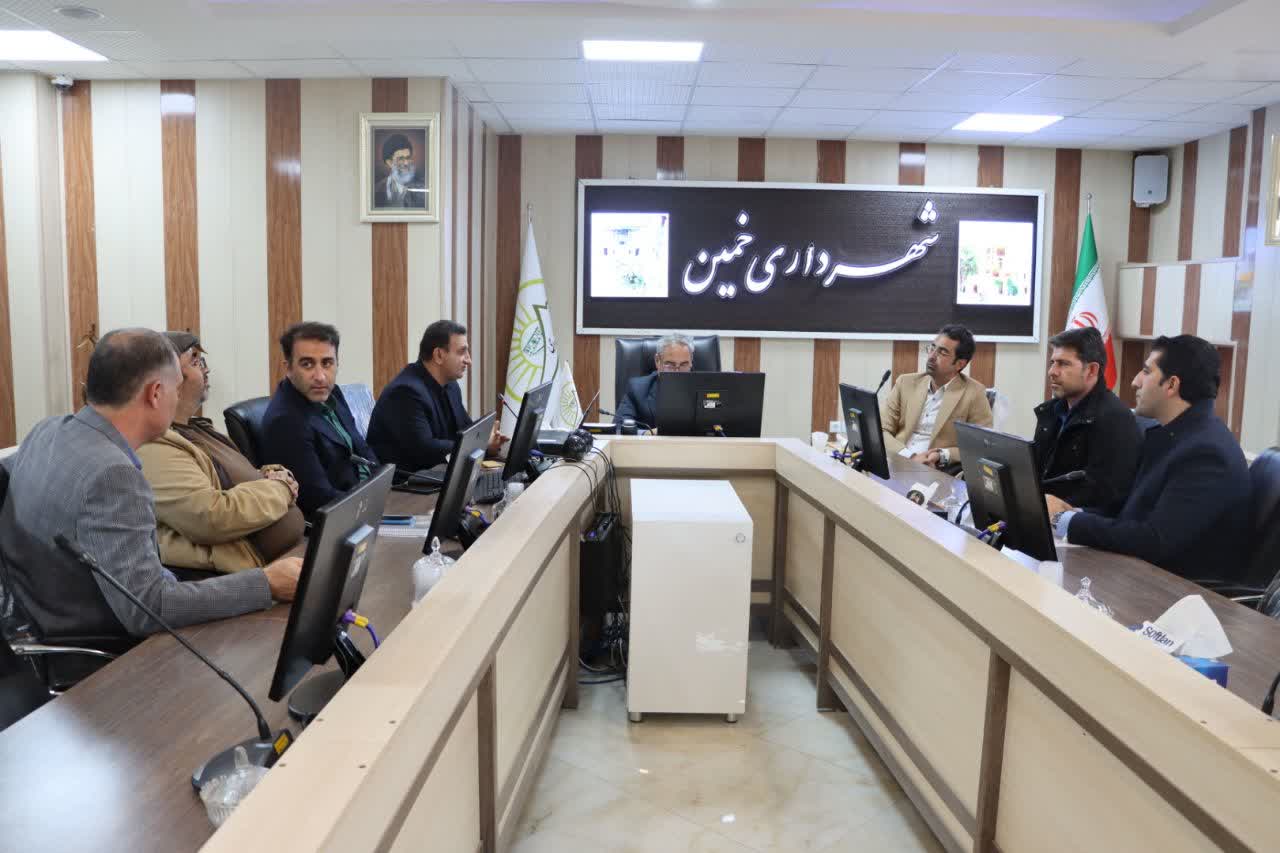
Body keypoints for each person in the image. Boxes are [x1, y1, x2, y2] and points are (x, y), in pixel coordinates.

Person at [0, 329, 300, 642]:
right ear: (155, 394)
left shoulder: (47, 429)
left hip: (33, 624)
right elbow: (149, 607)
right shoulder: (114, 475)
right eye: (177, 389)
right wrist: (265, 584)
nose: (178, 399)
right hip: (102, 650)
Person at [1048, 334, 1251, 580]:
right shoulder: (1173, 435)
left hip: (1174, 590)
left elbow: (1154, 540)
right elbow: (1130, 513)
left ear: (1171, 385)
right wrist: (1074, 512)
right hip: (1140, 575)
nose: (1135, 382)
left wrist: (1064, 520)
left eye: (1146, 371)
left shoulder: (1206, 453)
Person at [137, 332, 305, 574]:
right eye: (195, 361)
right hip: (246, 575)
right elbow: (210, 517)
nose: (206, 369)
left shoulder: (199, 428)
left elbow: (237, 479)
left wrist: (272, 473)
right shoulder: (155, 446)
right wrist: (281, 489)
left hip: (284, 555)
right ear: (169, 378)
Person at [260, 322, 378, 516]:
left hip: (366, 500)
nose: (320, 376)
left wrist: (383, 489)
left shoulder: (332, 393)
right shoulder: (286, 421)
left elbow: (363, 451)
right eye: (307, 364)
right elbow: (319, 498)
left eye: (327, 363)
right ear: (288, 368)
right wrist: (370, 506)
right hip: (340, 517)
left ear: (337, 364)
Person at [367, 320, 503, 473]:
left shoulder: (450, 385)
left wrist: (486, 439)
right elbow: (425, 450)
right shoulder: (405, 392)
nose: (468, 360)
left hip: (438, 473)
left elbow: (465, 431)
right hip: (406, 482)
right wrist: (481, 444)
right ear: (438, 355)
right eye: (461, 352)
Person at [1032, 327, 1142, 508]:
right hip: (1041, 511)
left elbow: (1107, 498)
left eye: (1063, 364)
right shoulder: (1050, 411)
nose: (1052, 371)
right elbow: (1038, 473)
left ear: (1091, 370)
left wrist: (1059, 512)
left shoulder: (1114, 419)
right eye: (1052, 363)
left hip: (1071, 520)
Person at [880, 325, 993, 468]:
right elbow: (882, 429)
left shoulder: (974, 393)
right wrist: (910, 456)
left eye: (942, 352)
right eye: (932, 348)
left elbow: (981, 446)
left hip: (936, 469)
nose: (932, 356)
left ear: (959, 364)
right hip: (896, 460)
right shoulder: (906, 383)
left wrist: (943, 455)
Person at [613, 332, 694, 429]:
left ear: (691, 362)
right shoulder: (637, 390)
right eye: (670, 365)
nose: (677, 372)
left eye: (684, 365)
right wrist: (647, 433)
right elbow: (619, 427)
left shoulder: (704, 388)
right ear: (657, 361)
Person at [375, 133, 426, 208]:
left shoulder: (422, 189)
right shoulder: (376, 190)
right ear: (389, 162)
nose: (406, 163)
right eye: (401, 159)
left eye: (408, 158)